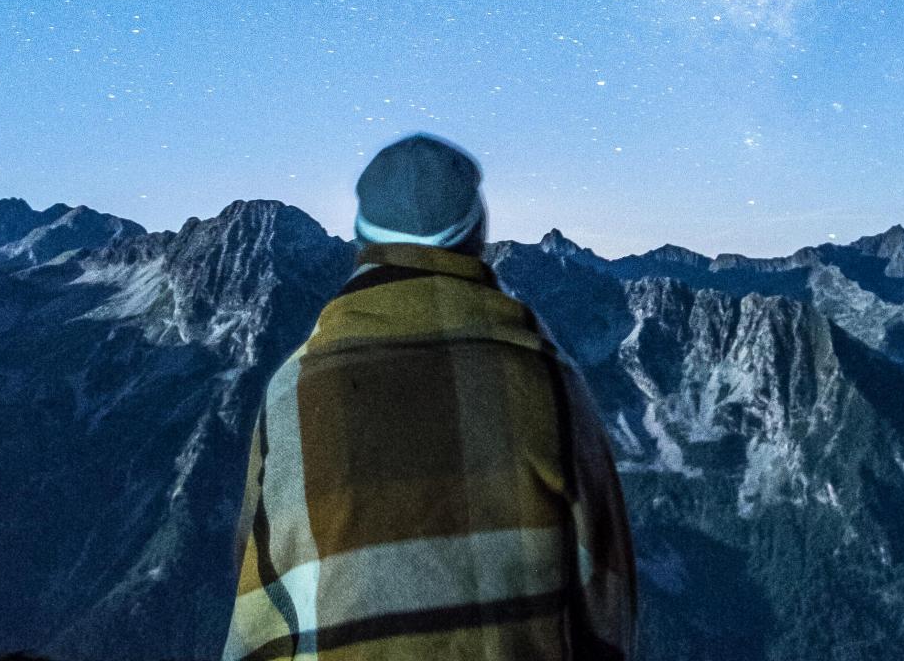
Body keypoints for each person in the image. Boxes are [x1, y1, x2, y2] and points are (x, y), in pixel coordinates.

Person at [225, 133, 637, 661]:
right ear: (476, 233)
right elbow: (607, 595)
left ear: (364, 240)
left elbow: (258, 597)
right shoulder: (548, 380)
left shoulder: (295, 390)